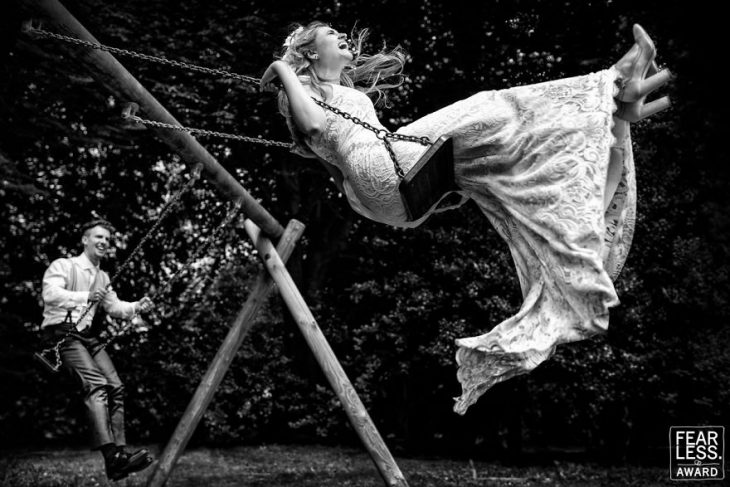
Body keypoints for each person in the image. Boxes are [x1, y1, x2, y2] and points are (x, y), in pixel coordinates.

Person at [260, 22, 672, 414]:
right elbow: (314, 123)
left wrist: (377, 200)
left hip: (386, 185)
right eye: (332, 34)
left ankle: (615, 118)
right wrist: (281, 68)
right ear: (311, 52)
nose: (344, 36)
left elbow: (335, 160)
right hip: (384, 169)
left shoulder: (334, 92)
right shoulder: (308, 95)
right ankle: (610, 84)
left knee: (516, 171)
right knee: (490, 108)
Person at [41, 219, 155, 480]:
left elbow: (115, 308)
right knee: (96, 383)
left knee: (116, 386)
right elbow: (50, 294)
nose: (104, 242)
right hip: (61, 333)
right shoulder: (64, 265)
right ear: (85, 240)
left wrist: (138, 305)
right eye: (98, 237)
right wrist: (84, 297)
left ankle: (121, 456)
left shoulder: (103, 276)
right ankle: (111, 456)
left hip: (86, 337)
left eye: (107, 239)